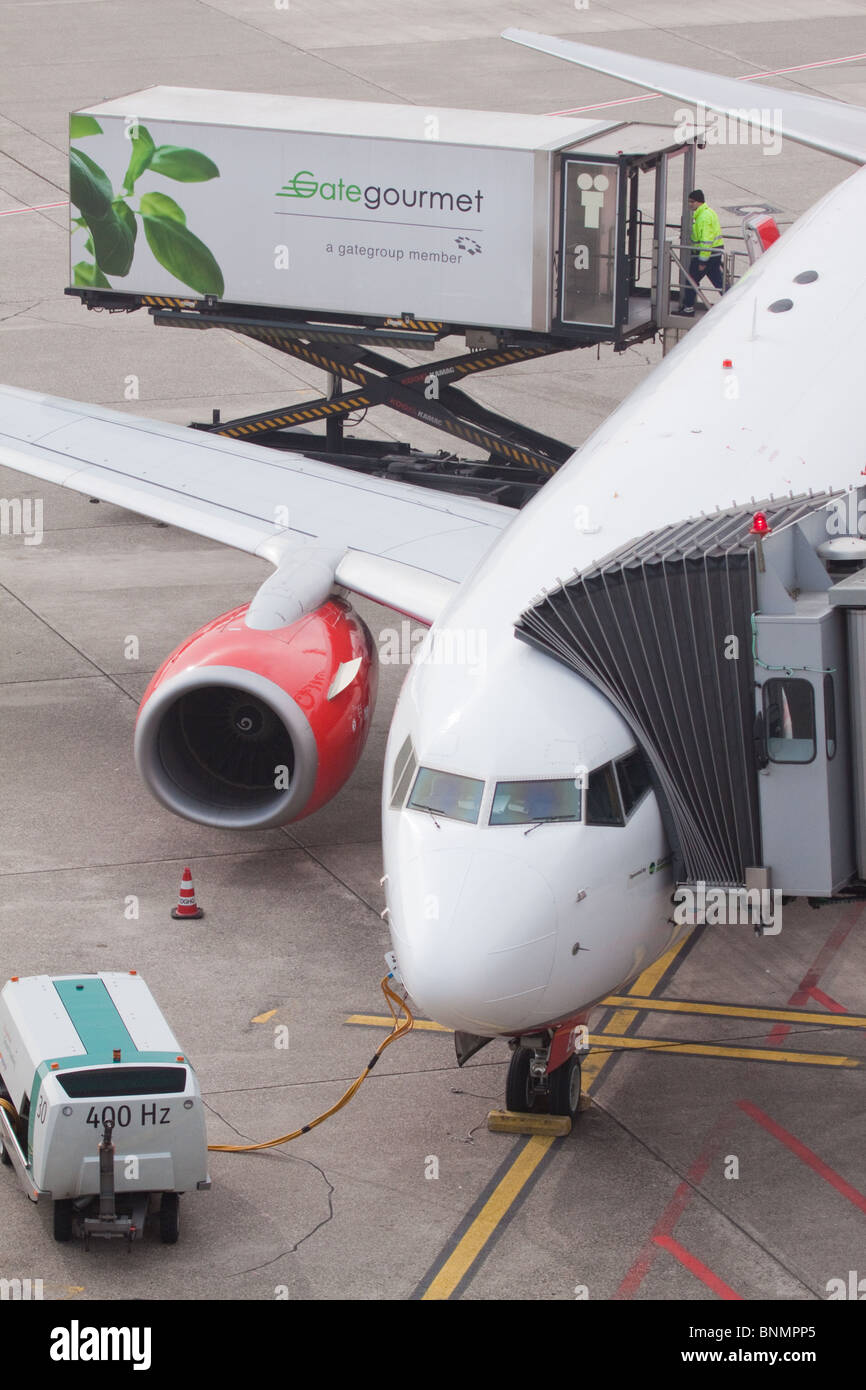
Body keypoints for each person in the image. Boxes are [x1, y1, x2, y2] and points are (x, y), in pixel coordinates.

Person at [677, 189, 724, 316]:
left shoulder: (703, 217)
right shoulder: (708, 213)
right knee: (718, 281)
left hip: (707, 255)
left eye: (692, 202)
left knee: (691, 280)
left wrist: (702, 260)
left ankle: (688, 309)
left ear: (699, 202)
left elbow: (706, 241)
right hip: (714, 253)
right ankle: (734, 303)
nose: (690, 204)